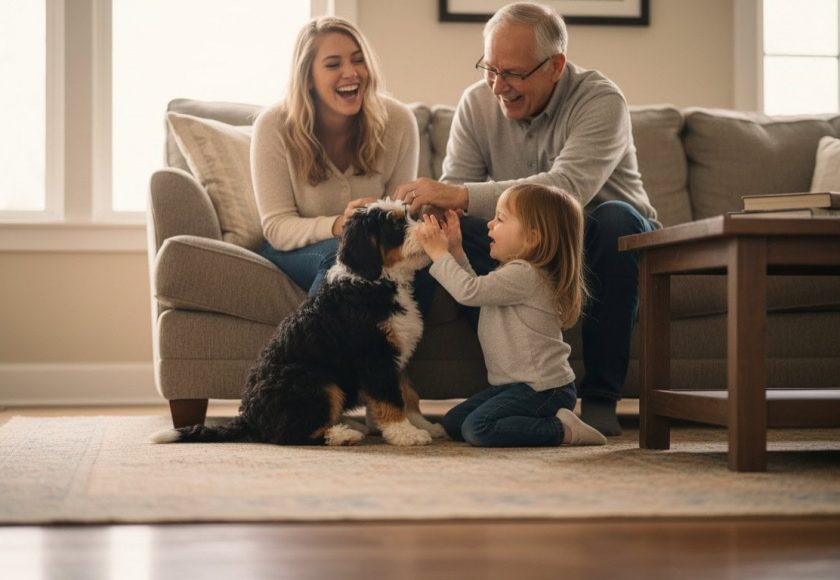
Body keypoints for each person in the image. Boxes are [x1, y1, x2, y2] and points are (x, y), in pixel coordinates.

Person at [396, 2, 658, 436]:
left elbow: (567, 190)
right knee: (470, 228)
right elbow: (455, 202)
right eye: (490, 69)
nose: (499, 87)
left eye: (514, 73)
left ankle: (600, 396)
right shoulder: (476, 104)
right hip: (532, 247)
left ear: (556, 65)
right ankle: (514, 387)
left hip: (599, 238)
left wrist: (457, 194)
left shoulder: (601, 99)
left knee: (616, 219)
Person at [415, 184, 606, 447]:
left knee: (478, 429)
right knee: (454, 422)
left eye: (500, 219)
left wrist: (438, 253)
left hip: (544, 389)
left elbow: (468, 291)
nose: (489, 225)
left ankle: (563, 429)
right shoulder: (516, 272)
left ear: (532, 237)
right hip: (514, 387)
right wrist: (456, 250)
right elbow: (477, 291)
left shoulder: (526, 274)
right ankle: (547, 421)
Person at [251, 16, 419, 295]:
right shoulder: (273, 126)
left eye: (358, 60)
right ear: (307, 78)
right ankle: (317, 339)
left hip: (369, 250)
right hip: (294, 249)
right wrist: (340, 225)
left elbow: (399, 218)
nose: (351, 72)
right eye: (333, 64)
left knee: (418, 269)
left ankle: (388, 340)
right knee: (340, 261)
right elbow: (277, 227)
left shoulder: (399, 122)